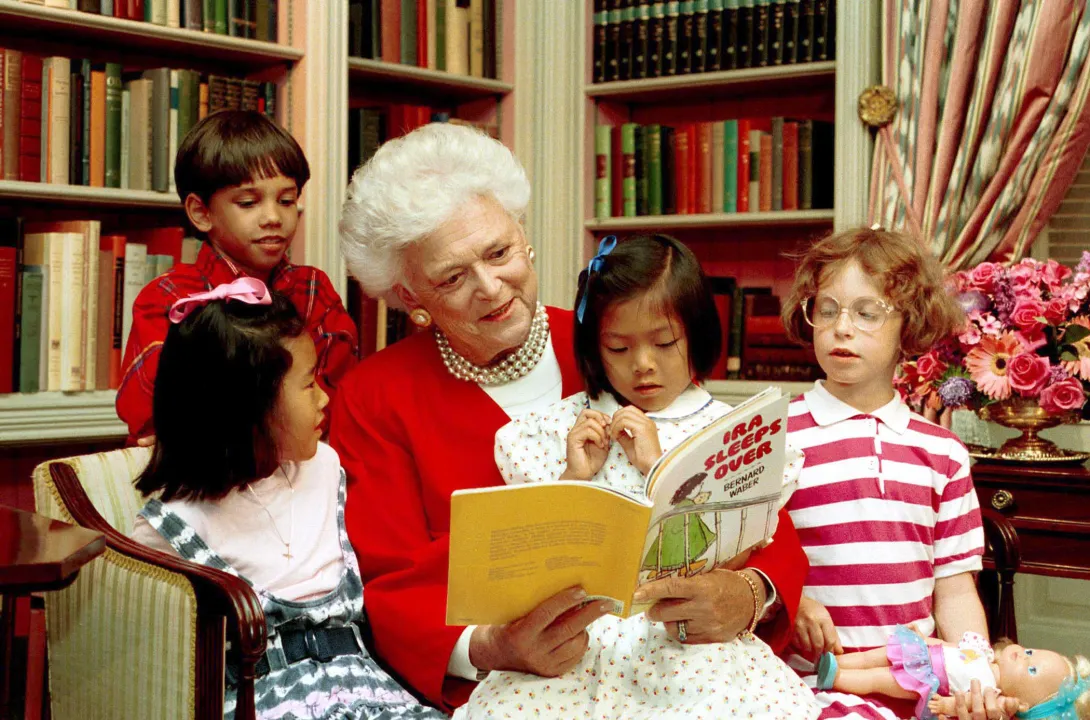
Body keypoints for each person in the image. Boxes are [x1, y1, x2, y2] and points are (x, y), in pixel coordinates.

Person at [330, 122, 810, 713]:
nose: (490, 287)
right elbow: (388, 580)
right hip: (526, 685)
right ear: (410, 298)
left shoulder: (619, 342)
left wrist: (750, 592)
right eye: (452, 277)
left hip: (670, 667)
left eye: (500, 252)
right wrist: (491, 647)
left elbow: (727, 479)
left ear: (524, 236)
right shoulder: (373, 396)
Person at [458, 234, 817, 718]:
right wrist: (574, 476)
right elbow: (530, 562)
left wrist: (659, 466)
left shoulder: (729, 432)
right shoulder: (552, 433)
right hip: (578, 648)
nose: (643, 365)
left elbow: (746, 543)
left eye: (665, 343)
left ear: (697, 334)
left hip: (679, 640)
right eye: (619, 347)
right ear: (594, 346)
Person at [129, 280, 444, 720]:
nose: (325, 398)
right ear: (246, 407)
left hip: (376, 698)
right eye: (309, 384)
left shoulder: (326, 468)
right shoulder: (173, 529)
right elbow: (156, 672)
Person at [781, 227, 991, 720]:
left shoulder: (942, 452)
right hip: (801, 685)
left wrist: (975, 678)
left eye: (867, 312)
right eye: (827, 309)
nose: (842, 327)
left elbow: (955, 591)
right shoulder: (776, 434)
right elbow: (750, 558)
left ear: (909, 327)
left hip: (916, 690)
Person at [117, 110, 358, 444]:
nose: (273, 217)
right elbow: (154, 411)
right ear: (201, 213)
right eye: (248, 203)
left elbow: (337, 398)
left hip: (300, 474)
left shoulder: (313, 290)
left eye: (287, 200)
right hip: (198, 482)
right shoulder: (169, 297)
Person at [814, 626, 1090, 720]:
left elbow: (962, 701)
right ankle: (839, 661)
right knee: (877, 654)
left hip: (925, 680)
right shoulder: (983, 651)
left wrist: (944, 704)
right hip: (923, 653)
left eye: (1030, 669)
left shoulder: (988, 693)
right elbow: (951, 648)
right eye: (1030, 651)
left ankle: (836, 678)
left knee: (880, 679)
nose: (1022, 654)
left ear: (1025, 704)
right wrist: (924, 640)